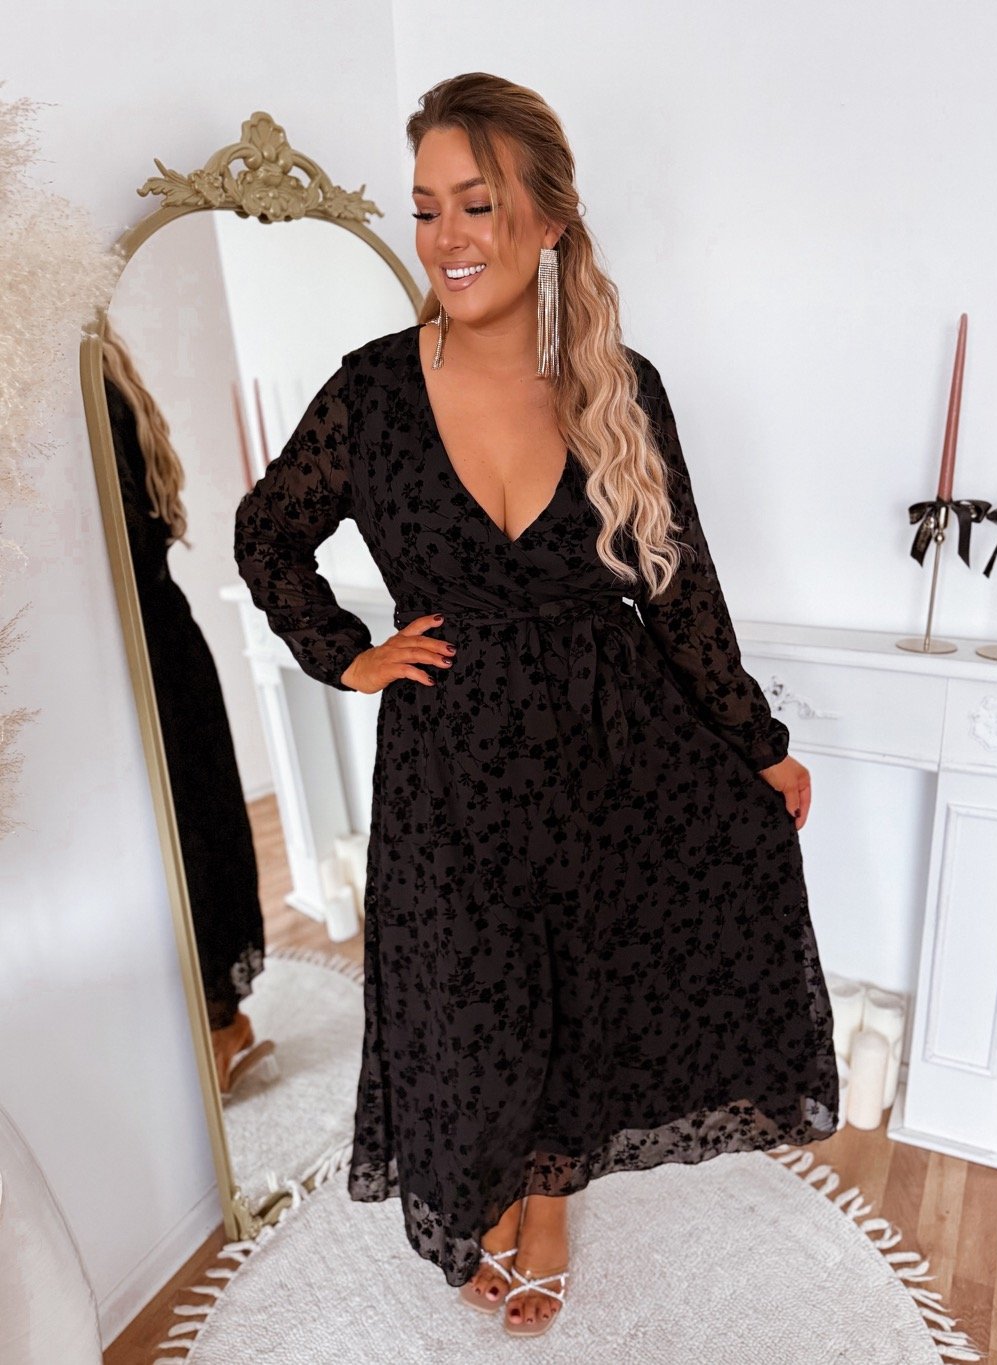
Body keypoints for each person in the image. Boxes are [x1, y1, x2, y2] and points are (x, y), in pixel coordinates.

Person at [233, 72, 838, 1338]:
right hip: (447, 767)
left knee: (578, 992)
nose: (447, 237)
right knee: (464, 1006)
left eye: (478, 204)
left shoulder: (618, 386)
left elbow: (680, 592)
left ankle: (547, 1202)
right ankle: (488, 1189)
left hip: (605, 749)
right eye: (425, 209)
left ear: (549, 220)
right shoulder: (372, 392)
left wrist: (757, 748)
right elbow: (267, 531)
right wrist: (346, 655)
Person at [103, 329, 274, 1098]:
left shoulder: (93, 398)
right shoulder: (110, 384)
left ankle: (219, 1023)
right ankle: (213, 1021)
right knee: (184, 830)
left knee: (187, 834)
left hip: (148, 653)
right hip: (157, 642)